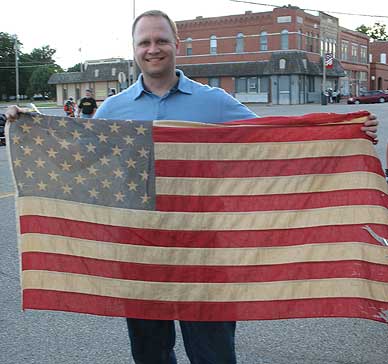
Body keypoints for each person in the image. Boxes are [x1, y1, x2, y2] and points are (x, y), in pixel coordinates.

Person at [4, 9, 379, 364]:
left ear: (176, 45)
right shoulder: (112, 110)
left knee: (212, 353)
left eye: (161, 40)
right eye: (144, 42)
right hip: (140, 254)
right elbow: (78, 159)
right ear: (134, 50)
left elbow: (272, 139)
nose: (153, 49)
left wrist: (347, 132)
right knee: (150, 353)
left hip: (204, 251)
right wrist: (28, 127)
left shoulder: (213, 102)